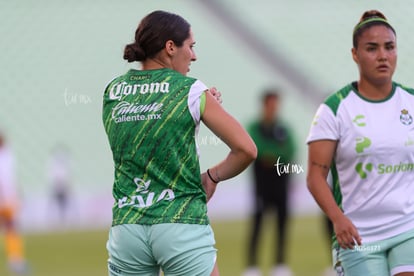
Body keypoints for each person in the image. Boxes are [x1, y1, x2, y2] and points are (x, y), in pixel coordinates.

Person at [102, 10, 257, 276]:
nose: (194, 55)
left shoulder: (113, 91)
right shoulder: (191, 90)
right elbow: (246, 150)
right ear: (170, 47)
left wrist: (195, 109)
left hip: (127, 227)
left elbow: (147, 131)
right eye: (191, 46)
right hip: (180, 221)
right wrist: (211, 176)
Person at [306, 10, 414, 276]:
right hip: (358, 235)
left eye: (389, 47)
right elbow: (315, 176)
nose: (383, 56)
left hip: (408, 228)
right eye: (372, 48)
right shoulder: (334, 109)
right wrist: (337, 218)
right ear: (355, 54)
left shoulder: (410, 101)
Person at [243, 90, 296, 276]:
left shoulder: (283, 129)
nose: (274, 108)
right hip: (262, 187)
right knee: (257, 226)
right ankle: (252, 266)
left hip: (281, 187)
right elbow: (255, 149)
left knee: (282, 225)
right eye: (271, 104)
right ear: (264, 105)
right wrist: (275, 155)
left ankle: (280, 264)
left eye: (276, 105)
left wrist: (272, 157)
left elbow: (290, 151)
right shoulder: (255, 128)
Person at [0, 132, 29, 275]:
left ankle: (16, 261)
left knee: (11, 230)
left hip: (6, 199)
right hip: (5, 201)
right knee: (11, 230)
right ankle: (16, 261)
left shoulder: (6, 156)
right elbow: (6, 180)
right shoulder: (5, 157)